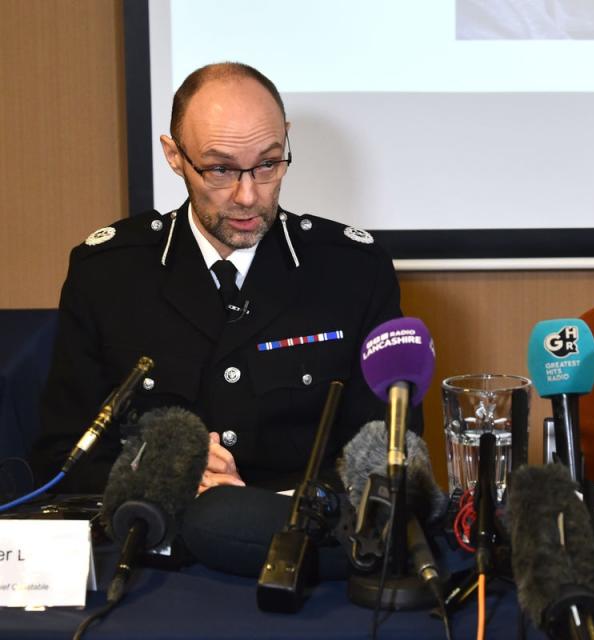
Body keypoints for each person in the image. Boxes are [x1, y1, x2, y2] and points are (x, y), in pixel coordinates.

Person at [30, 62, 408, 494]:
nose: (248, 197)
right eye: (220, 170)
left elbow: (390, 456)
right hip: (158, 548)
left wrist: (278, 509)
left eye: (268, 164)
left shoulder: (354, 272)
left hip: (303, 544)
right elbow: (62, 459)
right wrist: (160, 478)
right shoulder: (107, 275)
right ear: (175, 156)